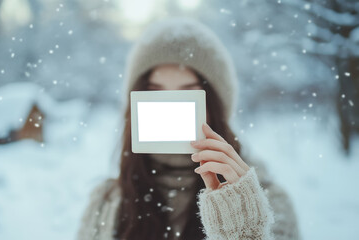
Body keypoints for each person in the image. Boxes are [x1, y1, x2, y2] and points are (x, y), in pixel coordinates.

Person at [76, 17, 300, 240]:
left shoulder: (268, 203)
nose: (171, 108)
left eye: (188, 94)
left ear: (213, 106)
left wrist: (245, 232)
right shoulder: (105, 204)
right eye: (156, 93)